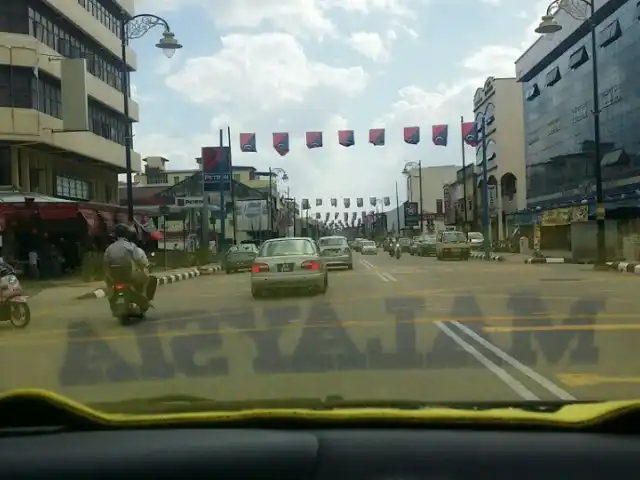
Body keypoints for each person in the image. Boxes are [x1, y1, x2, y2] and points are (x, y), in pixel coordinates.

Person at [104, 224, 155, 306]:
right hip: (128, 275)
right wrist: (144, 268)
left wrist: (108, 276)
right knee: (146, 278)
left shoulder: (110, 248)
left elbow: (106, 263)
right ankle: (144, 298)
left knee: (110, 287)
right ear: (127, 234)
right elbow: (138, 260)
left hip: (113, 277)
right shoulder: (130, 246)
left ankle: (113, 298)